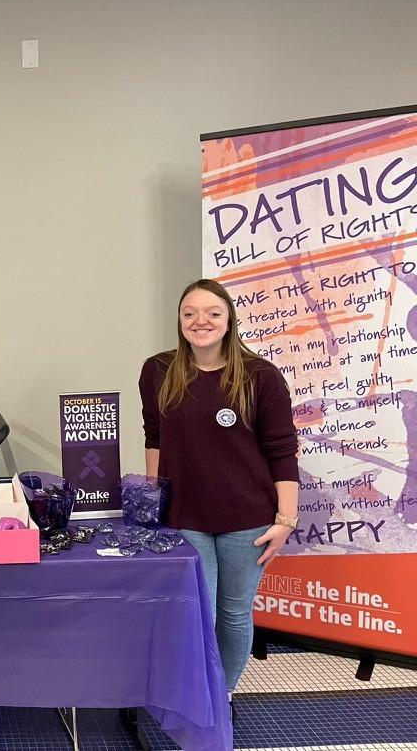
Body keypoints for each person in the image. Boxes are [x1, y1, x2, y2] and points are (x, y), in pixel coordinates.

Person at [138, 278, 299, 715]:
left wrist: (285, 521)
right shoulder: (158, 370)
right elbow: (155, 437)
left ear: (229, 320)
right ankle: (194, 688)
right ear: (179, 320)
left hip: (247, 520)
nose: (200, 321)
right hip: (185, 515)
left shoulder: (260, 376)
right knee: (196, 614)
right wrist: (154, 497)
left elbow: (282, 452)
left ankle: (222, 693)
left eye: (212, 312)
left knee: (232, 612)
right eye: (189, 313)